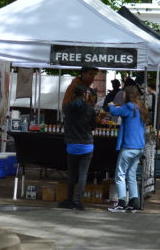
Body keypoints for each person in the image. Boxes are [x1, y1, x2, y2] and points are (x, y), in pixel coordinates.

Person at [106, 83, 147, 212]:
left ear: (127, 94)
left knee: (120, 174)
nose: (122, 94)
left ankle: (122, 202)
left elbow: (114, 111)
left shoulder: (128, 106)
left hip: (129, 147)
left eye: (123, 92)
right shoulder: (140, 107)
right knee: (131, 174)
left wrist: (111, 104)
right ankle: (134, 202)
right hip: (139, 147)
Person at [59, 79, 97, 210]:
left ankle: (69, 200)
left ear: (72, 95)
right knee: (83, 175)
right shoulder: (90, 109)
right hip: (87, 145)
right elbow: (93, 126)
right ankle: (78, 201)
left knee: (71, 174)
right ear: (84, 94)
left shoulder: (67, 108)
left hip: (72, 145)